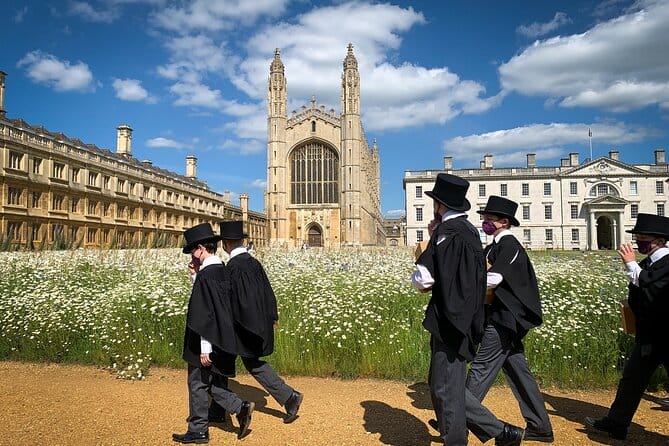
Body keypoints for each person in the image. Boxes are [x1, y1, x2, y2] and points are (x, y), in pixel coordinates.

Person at [412, 174, 523, 446]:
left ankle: (484, 435)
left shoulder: (447, 234)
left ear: (439, 204)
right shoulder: (468, 231)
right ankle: (500, 432)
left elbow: (424, 279)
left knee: (446, 388)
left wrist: (428, 245)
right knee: (440, 383)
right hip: (467, 316)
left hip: (450, 319)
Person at [465, 196, 553, 443]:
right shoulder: (492, 246)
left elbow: (495, 278)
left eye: (489, 219)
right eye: (484, 219)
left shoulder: (510, 245)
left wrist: (467, 288)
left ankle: (455, 419)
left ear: (504, 222)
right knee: (518, 373)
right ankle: (540, 426)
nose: (484, 222)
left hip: (506, 318)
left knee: (481, 368)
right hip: (501, 317)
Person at [208, 221, 303, 424]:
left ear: (225, 244)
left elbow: (238, 302)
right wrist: (271, 317)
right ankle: (287, 397)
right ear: (242, 240)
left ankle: (289, 397)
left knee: (224, 361)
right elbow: (268, 292)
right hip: (256, 322)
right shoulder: (253, 262)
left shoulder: (235, 267)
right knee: (248, 362)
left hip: (241, 325)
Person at [585, 213, 669, 440]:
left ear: (659, 240)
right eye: (638, 236)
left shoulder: (666, 262)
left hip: (665, 334)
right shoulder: (648, 262)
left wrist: (631, 264)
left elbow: (650, 285)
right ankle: (616, 424)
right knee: (632, 380)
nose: (638, 241)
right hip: (649, 333)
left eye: (643, 237)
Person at [172, 223, 255, 444]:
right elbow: (217, 304)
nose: (191, 255)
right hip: (224, 337)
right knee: (217, 378)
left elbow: (204, 313)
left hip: (205, 339)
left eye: (192, 250)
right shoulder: (222, 270)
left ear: (200, 248)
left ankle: (199, 428)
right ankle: (220, 413)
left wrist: (204, 348)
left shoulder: (206, 276)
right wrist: (195, 277)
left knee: (197, 382)